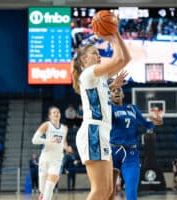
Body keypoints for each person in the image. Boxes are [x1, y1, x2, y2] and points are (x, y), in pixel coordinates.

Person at [72, 27, 131, 200]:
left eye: (98, 53)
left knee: (108, 191)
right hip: (93, 132)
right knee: (99, 190)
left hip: (102, 133)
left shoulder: (100, 79)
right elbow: (119, 58)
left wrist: (111, 86)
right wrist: (113, 35)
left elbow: (126, 59)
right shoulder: (89, 72)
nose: (98, 56)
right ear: (84, 59)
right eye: (93, 53)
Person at [108, 83, 163, 200]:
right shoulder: (109, 108)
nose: (116, 92)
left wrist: (156, 122)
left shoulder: (133, 108)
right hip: (112, 152)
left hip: (130, 153)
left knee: (131, 189)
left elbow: (146, 124)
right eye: (113, 90)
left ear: (123, 94)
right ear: (109, 95)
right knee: (109, 190)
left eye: (119, 90)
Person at [32, 106, 70, 200]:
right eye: (54, 112)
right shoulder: (46, 125)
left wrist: (67, 147)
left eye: (58, 112)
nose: (57, 114)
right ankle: (42, 195)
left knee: (50, 185)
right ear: (50, 116)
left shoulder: (64, 128)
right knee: (43, 189)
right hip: (45, 158)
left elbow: (63, 142)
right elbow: (34, 140)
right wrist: (50, 140)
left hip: (57, 159)